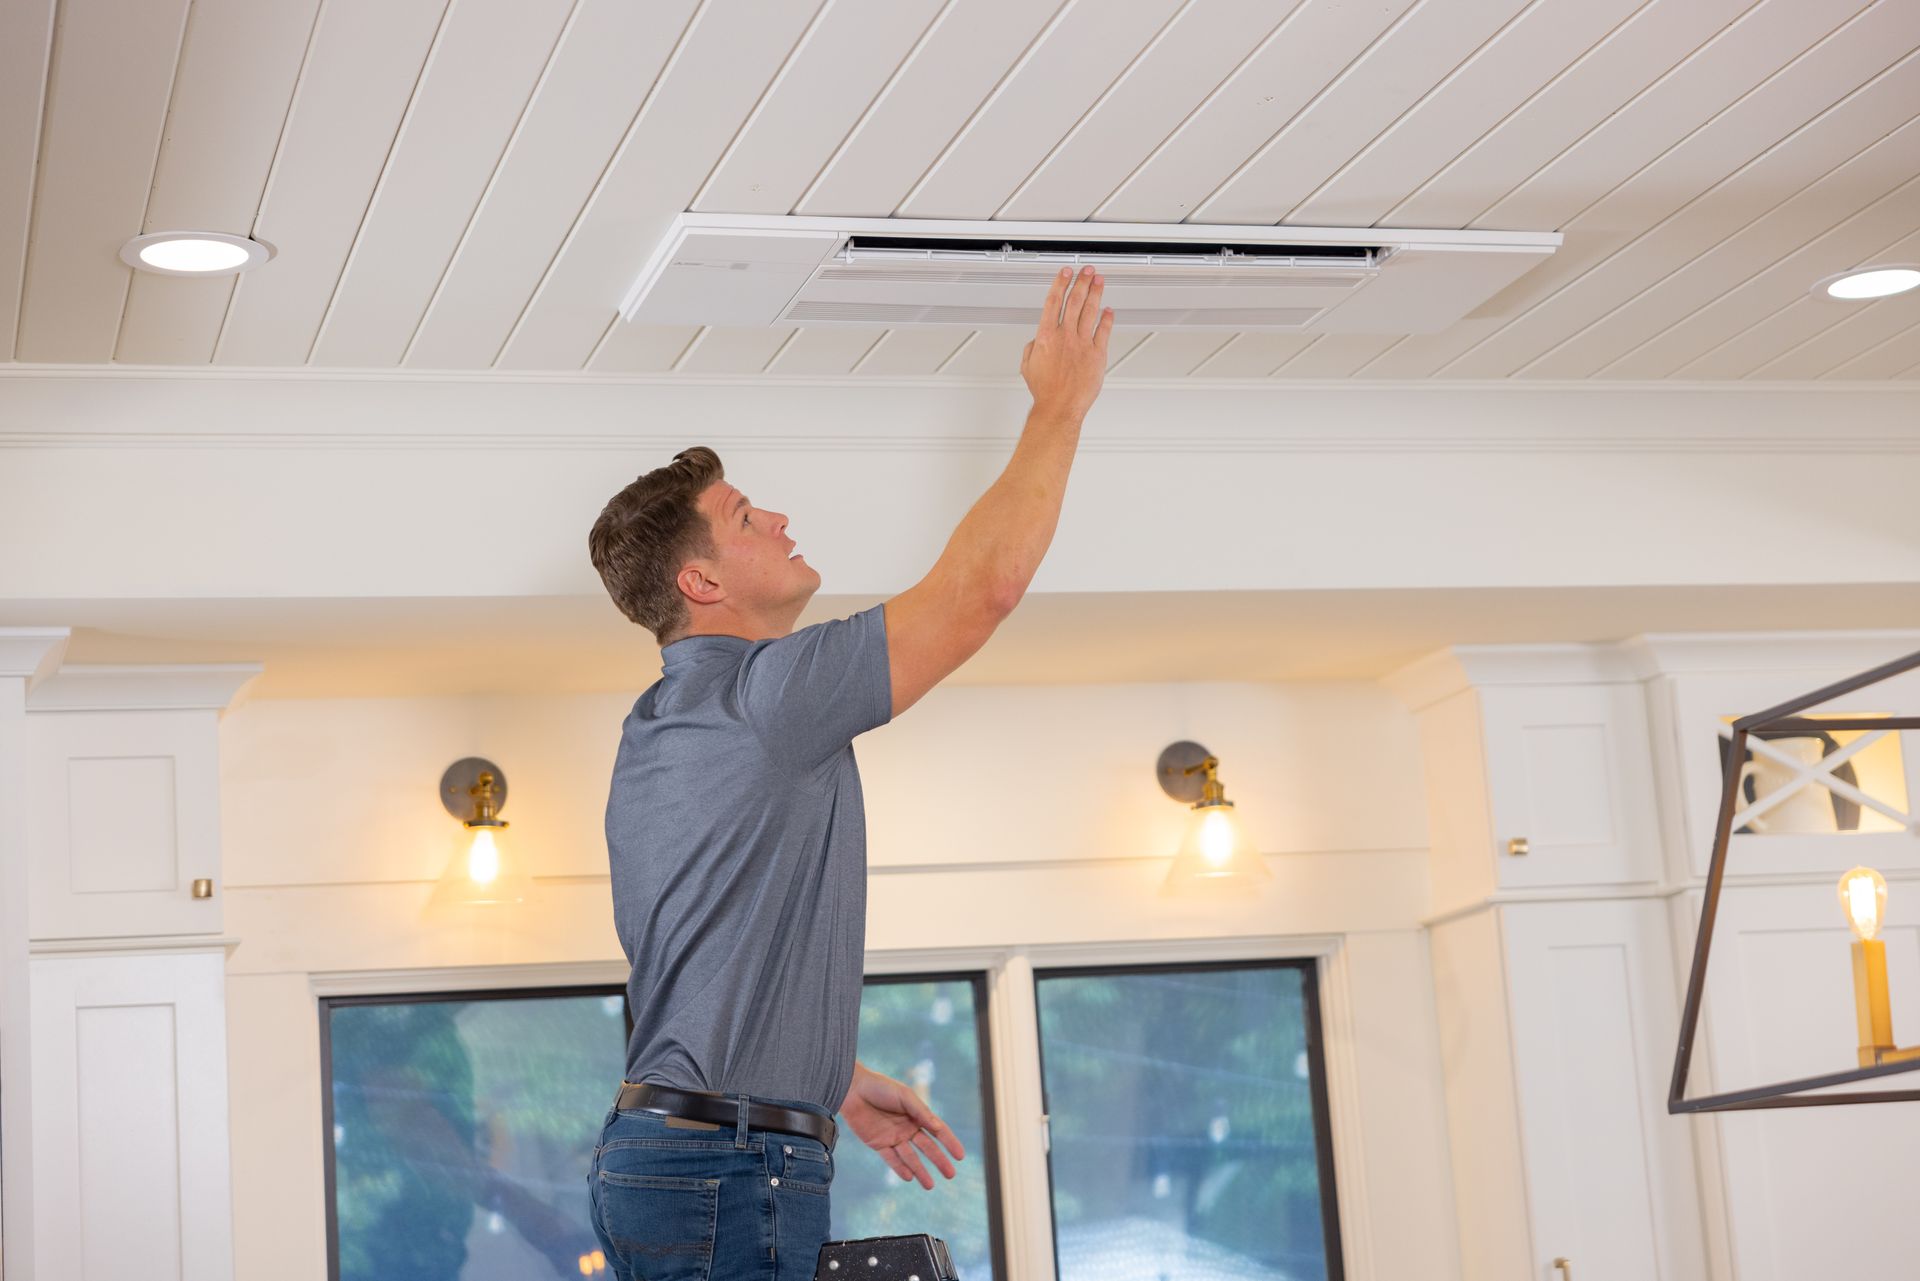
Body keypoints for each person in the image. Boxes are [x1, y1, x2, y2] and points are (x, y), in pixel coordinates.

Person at [584, 267, 1113, 1281]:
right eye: (744, 518)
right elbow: (980, 592)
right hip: (724, 1162)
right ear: (701, 582)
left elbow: (706, 958)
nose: (776, 519)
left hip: (693, 1151)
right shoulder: (763, 693)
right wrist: (1059, 403)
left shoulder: (657, 724)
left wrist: (824, 1078)